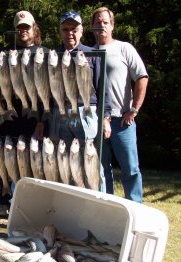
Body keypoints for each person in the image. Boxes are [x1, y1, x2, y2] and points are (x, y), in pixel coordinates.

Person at [0, 10, 49, 216]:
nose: (23, 31)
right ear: (15, 30)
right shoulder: (3, 54)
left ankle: (27, 203)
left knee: (32, 161)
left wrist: (42, 119)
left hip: (34, 117)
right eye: (19, 27)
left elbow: (48, 90)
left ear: (34, 29)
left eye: (27, 27)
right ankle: (1, 198)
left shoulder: (45, 54)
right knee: (3, 158)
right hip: (6, 116)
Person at [92, 7, 148, 202]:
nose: (101, 26)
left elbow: (142, 76)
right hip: (97, 122)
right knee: (101, 170)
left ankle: (136, 208)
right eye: (97, 22)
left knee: (130, 169)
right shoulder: (89, 53)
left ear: (112, 25)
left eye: (105, 22)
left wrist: (134, 109)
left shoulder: (124, 48)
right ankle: (108, 209)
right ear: (92, 26)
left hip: (122, 121)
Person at [52, 11, 112, 191]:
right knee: (67, 161)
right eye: (65, 29)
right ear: (60, 31)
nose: (70, 32)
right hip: (61, 113)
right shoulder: (53, 55)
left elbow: (103, 87)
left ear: (81, 30)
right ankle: (74, 202)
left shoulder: (93, 54)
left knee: (91, 159)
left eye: (74, 29)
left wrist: (106, 117)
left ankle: (99, 201)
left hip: (87, 112)